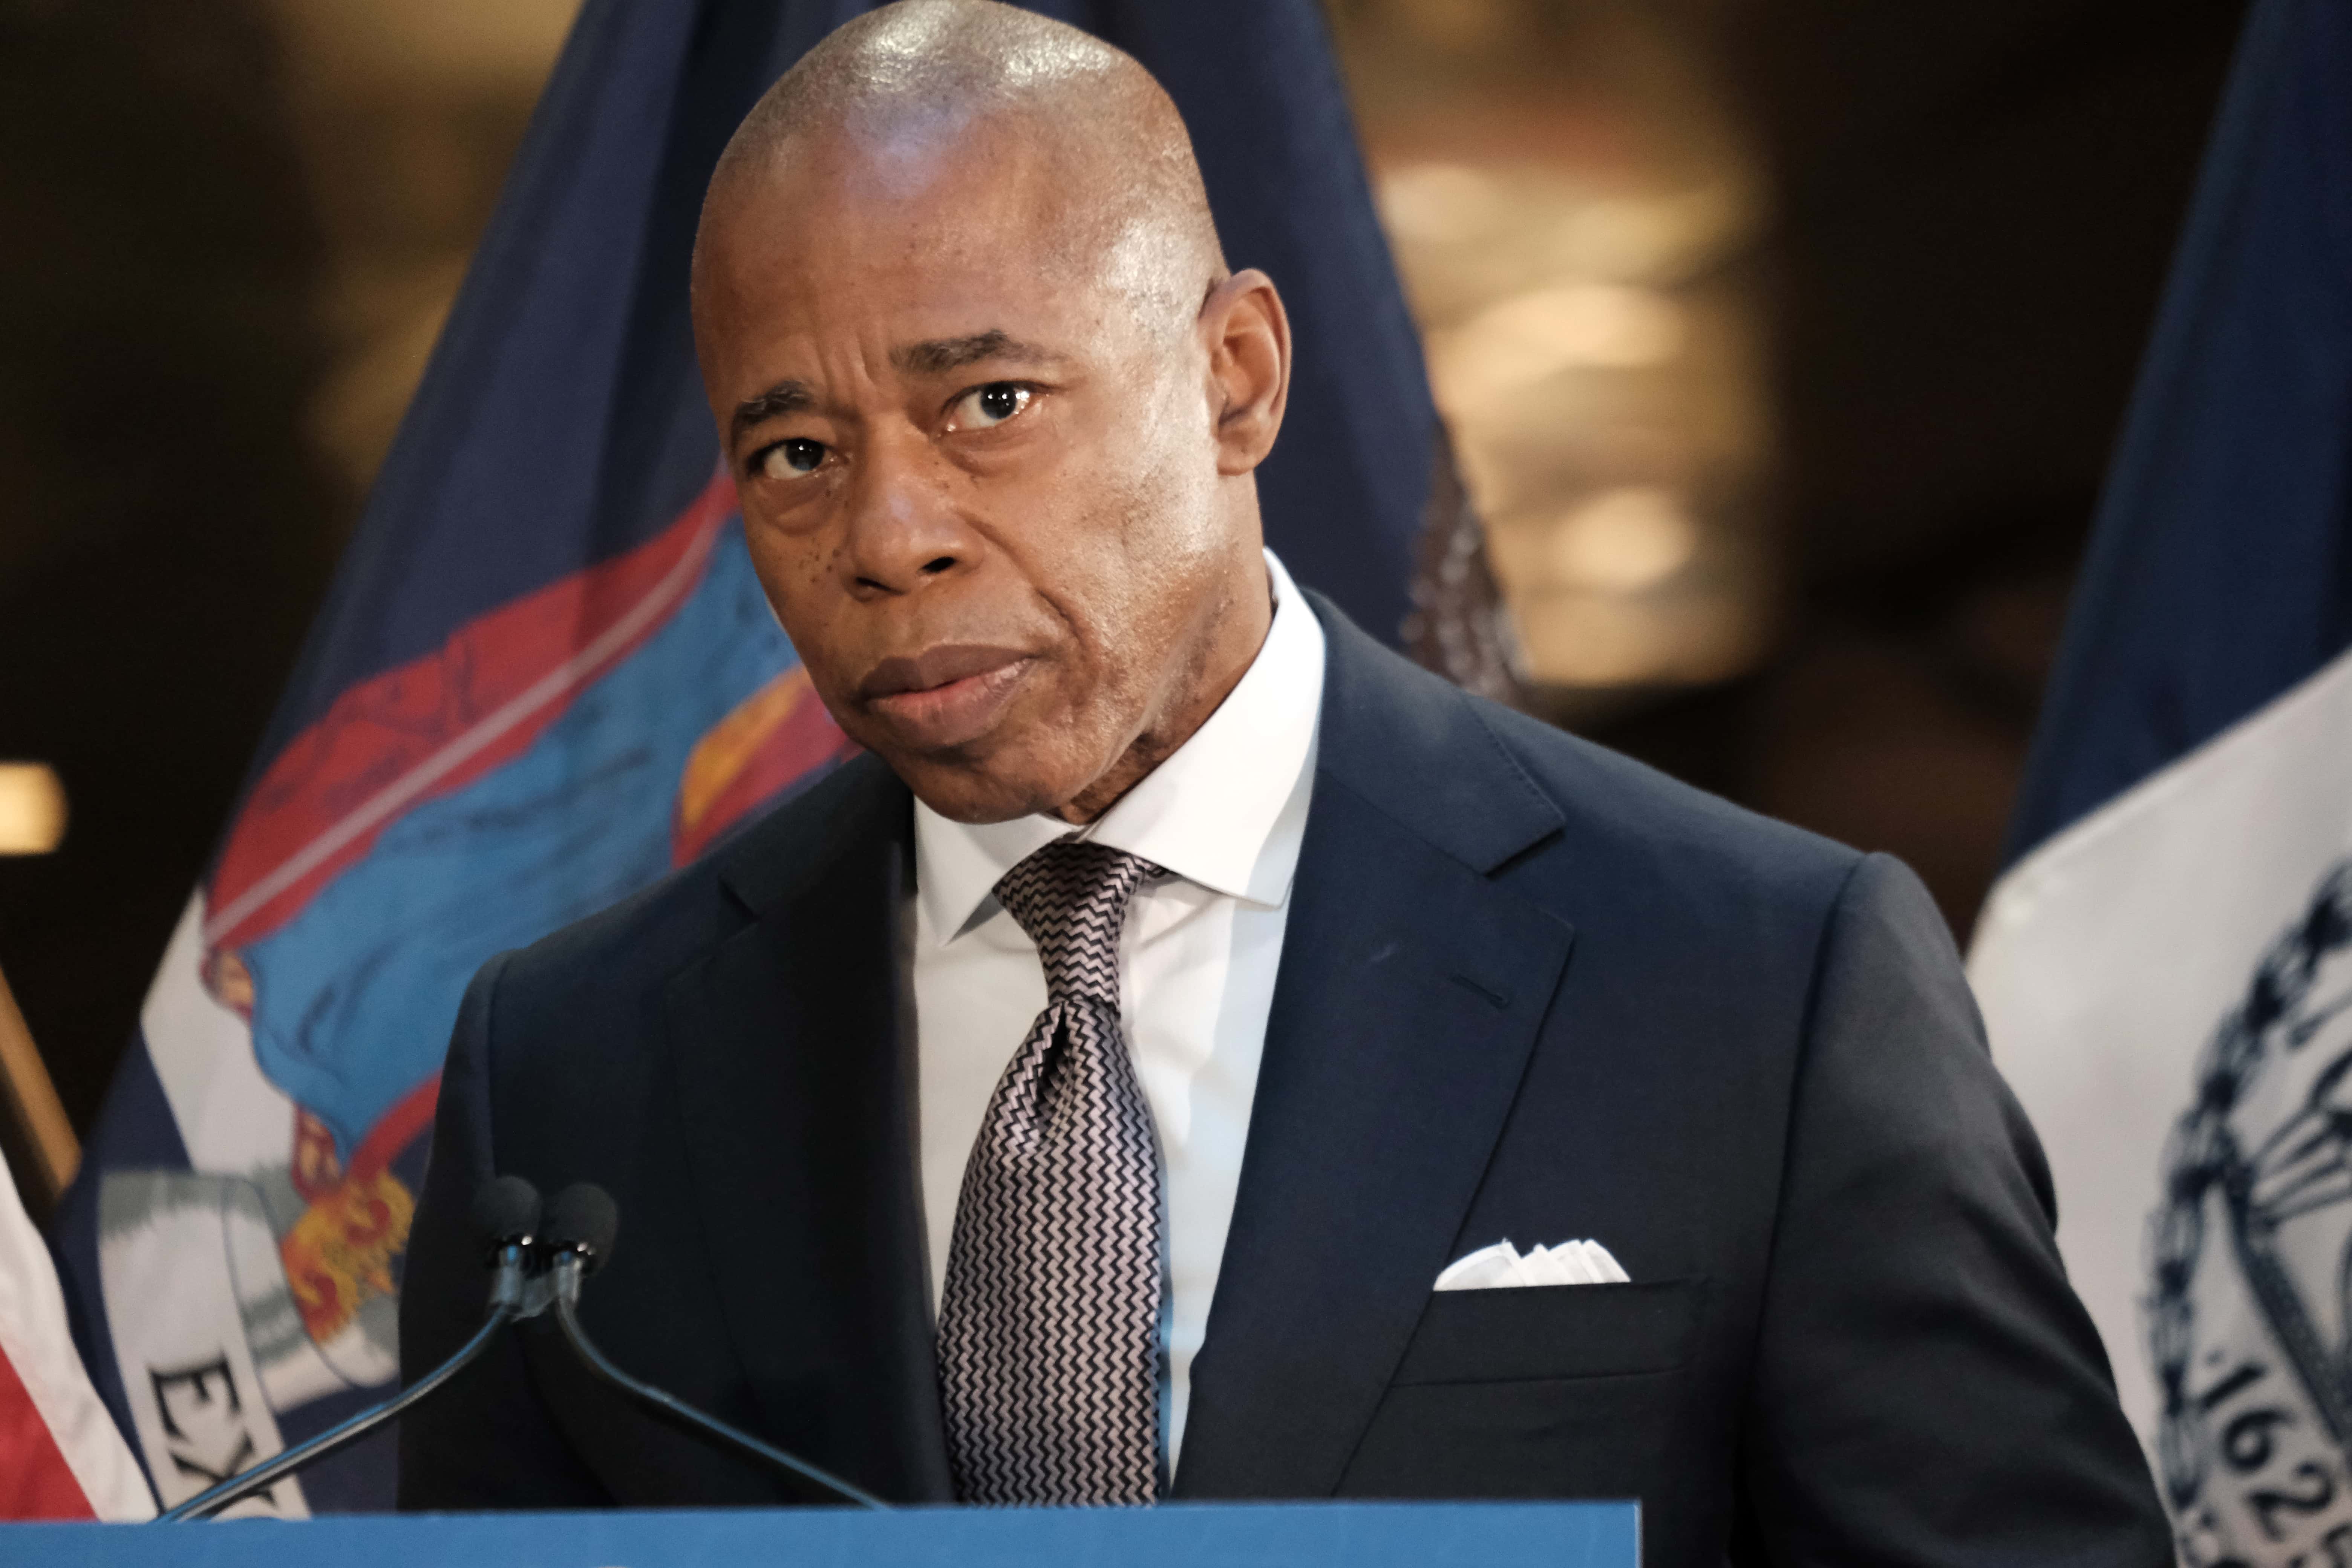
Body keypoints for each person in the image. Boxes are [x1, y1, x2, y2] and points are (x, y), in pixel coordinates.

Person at [398, 4, 2171, 1561]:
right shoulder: (573, 1074)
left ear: (1233, 375)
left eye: (991, 402)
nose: (889, 533)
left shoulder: (1762, 983)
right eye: (795, 451)